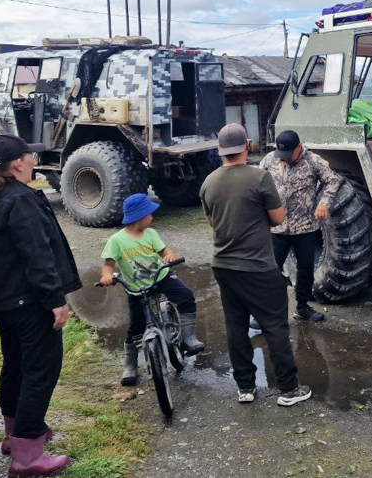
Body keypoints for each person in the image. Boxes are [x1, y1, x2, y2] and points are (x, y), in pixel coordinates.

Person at [0, 134, 80, 477]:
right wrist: (55, 301)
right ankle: (28, 456)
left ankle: (13, 436)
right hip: (28, 302)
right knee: (40, 370)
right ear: (17, 163)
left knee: (15, 364)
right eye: (30, 157)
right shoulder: (21, 200)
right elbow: (38, 254)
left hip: (1, 302)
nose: (33, 161)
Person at [201, 123, 312, 406]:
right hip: (257, 266)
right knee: (275, 325)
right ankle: (288, 389)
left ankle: (245, 388)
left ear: (219, 151)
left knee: (236, 326)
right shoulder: (259, 177)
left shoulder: (208, 182)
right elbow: (277, 219)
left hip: (223, 264)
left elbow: (212, 221)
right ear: (247, 146)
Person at [100, 193, 205, 386]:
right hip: (136, 288)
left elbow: (166, 252)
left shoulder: (151, 234)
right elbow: (108, 264)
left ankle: (188, 338)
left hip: (161, 277)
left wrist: (169, 257)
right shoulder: (117, 240)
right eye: (149, 214)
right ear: (139, 217)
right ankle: (130, 365)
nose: (152, 217)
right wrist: (107, 275)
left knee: (186, 296)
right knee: (136, 328)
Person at [259, 130, 340, 323]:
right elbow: (257, 182)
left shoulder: (313, 161)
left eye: (288, 155)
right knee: (270, 271)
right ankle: (267, 313)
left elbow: (333, 181)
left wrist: (324, 203)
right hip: (277, 227)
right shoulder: (270, 160)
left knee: (305, 269)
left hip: (305, 228)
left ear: (299, 148)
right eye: (281, 155)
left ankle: (302, 307)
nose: (284, 159)